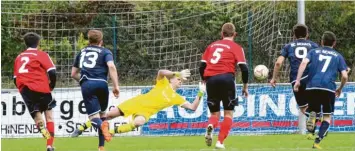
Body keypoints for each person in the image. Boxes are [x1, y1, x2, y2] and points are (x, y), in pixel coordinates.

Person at [101, 69, 206, 137]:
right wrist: (176, 73)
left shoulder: (177, 98)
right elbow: (160, 72)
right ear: (171, 80)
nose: (180, 81)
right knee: (108, 115)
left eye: (181, 80)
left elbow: (193, 107)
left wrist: (200, 92)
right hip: (137, 103)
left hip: (146, 112)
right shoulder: (163, 83)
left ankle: (111, 132)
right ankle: (85, 126)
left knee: (139, 122)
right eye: (178, 79)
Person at [294, 31, 348, 149]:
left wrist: (298, 80)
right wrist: (340, 88)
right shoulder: (338, 56)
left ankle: (313, 117)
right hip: (328, 88)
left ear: (321, 42)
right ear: (334, 43)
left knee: (313, 110)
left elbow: (303, 63)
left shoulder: (313, 52)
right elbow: (344, 76)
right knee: (327, 117)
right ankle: (317, 142)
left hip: (312, 86)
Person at [199, 22, 249, 149]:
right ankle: (220, 142)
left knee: (214, 114)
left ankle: (211, 125)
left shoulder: (212, 46)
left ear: (222, 34)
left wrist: (204, 79)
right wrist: (245, 86)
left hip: (211, 80)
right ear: (235, 34)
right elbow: (244, 69)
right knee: (228, 113)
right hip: (227, 79)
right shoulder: (236, 47)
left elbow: (202, 66)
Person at [70, 30, 120, 151]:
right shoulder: (105, 51)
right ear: (101, 41)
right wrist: (116, 86)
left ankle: (102, 128)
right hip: (102, 84)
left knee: (94, 118)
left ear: (89, 40)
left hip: (88, 83)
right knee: (102, 115)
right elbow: (111, 66)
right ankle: (101, 147)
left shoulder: (82, 51)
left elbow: (73, 74)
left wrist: (82, 81)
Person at [270, 24, 319, 136]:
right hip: (311, 78)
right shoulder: (313, 45)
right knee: (313, 103)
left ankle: (312, 119)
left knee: (303, 107)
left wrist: (274, 78)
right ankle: (315, 118)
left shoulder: (289, 46)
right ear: (307, 34)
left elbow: (278, 63)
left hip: (296, 79)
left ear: (293, 35)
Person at [13, 32, 57, 151]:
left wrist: (22, 90)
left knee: (38, 118)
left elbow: (15, 78)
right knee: (49, 117)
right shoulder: (41, 54)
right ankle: (49, 145)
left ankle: (43, 131)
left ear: (25, 43)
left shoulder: (19, 57)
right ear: (38, 43)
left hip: (26, 90)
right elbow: (52, 72)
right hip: (42, 88)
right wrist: (51, 86)